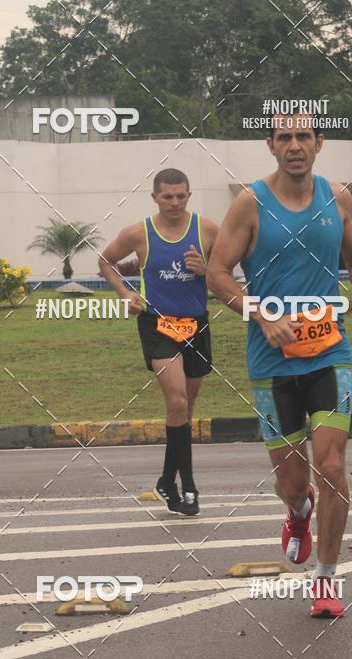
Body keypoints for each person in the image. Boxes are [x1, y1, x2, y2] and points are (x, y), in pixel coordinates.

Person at [206, 115, 352, 617]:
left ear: (319, 144)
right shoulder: (250, 203)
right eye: (284, 137)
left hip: (330, 352)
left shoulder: (339, 198)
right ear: (271, 145)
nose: (295, 145)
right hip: (272, 360)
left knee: (331, 466)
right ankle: (298, 510)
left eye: (304, 136)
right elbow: (218, 274)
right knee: (292, 481)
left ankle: (325, 577)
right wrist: (260, 314)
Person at [99, 168, 218, 516]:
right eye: (167, 196)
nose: (175, 202)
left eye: (181, 195)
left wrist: (206, 270)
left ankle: (167, 480)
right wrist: (125, 295)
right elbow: (105, 260)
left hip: (196, 325)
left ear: (189, 195)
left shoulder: (207, 229)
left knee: (183, 410)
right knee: (177, 400)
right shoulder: (139, 233)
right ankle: (190, 487)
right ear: (155, 198)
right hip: (158, 325)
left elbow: (231, 266)